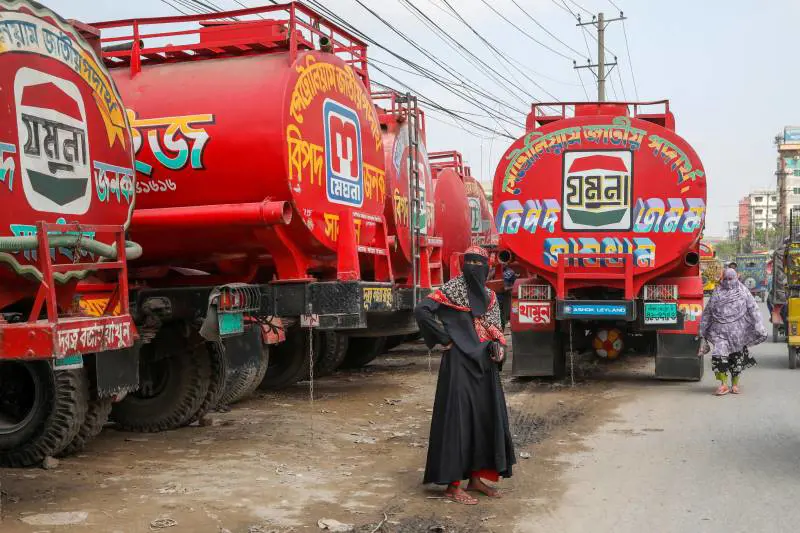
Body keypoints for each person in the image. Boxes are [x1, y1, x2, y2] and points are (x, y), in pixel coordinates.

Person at [414, 246, 516, 505]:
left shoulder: (490, 296)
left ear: (487, 266)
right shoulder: (451, 290)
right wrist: (444, 338)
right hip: (458, 364)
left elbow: (495, 330)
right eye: (469, 262)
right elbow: (421, 310)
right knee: (458, 422)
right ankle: (452, 485)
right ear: (462, 265)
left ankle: (476, 479)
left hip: (484, 365)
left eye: (479, 262)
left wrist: (499, 349)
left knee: (483, 419)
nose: (474, 267)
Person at [700, 268, 766, 395]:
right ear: (722, 279)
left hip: (738, 334)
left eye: (731, 279)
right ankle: (723, 384)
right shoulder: (717, 292)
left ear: (736, 278)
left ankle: (735, 384)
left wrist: (759, 324)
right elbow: (708, 313)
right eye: (726, 279)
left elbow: (754, 309)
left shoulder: (743, 292)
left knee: (736, 359)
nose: (728, 282)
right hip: (720, 334)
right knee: (719, 357)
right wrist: (702, 330)